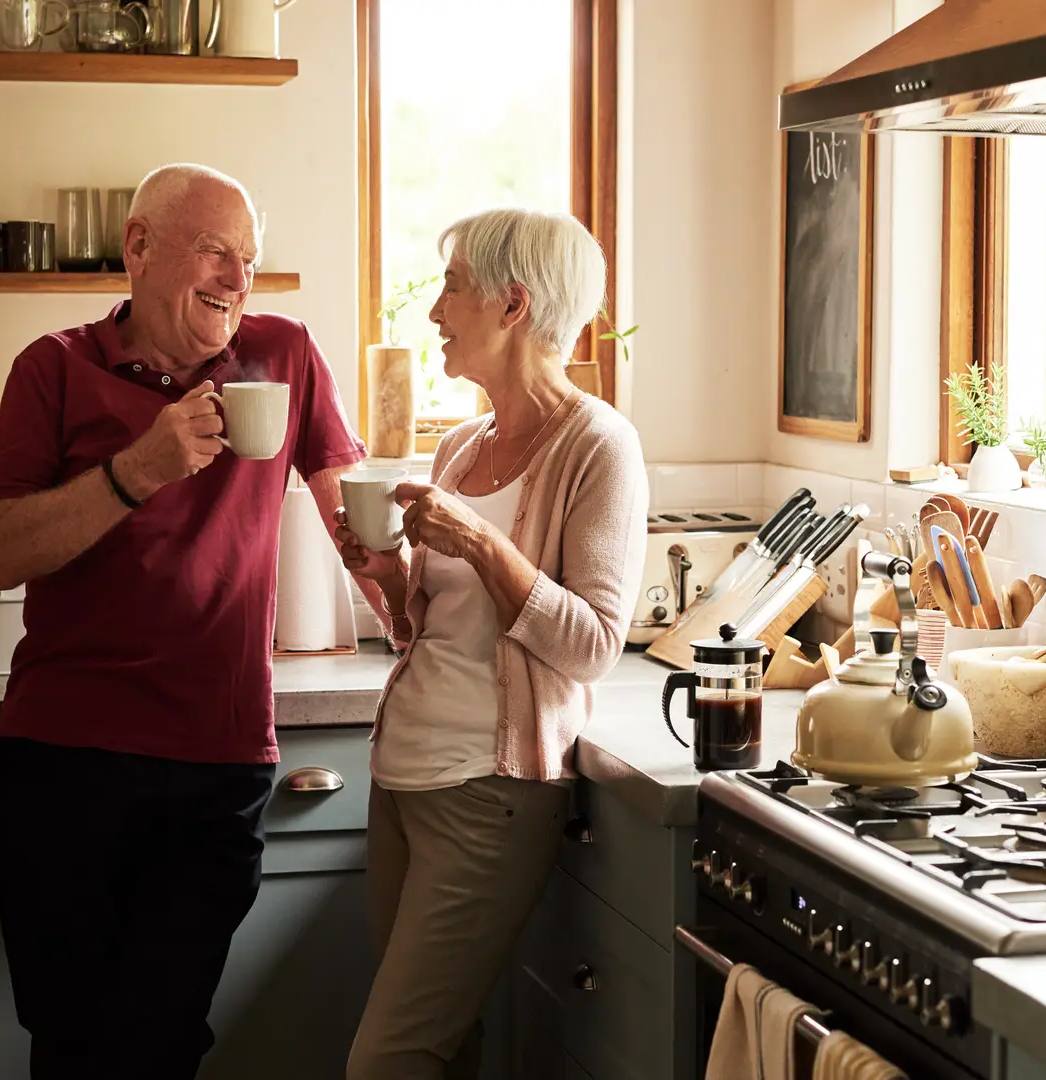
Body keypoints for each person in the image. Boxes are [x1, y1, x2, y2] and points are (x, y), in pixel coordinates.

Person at [0, 163, 380, 1080]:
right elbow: (0, 553)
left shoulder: (282, 354)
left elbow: (349, 517)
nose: (238, 280)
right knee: (74, 1042)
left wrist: (411, 583)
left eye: (250, 259)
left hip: (216, 760)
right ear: (139, 247)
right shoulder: (54, 368)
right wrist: (139, 469)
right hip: (66, 759)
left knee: (162, 1041)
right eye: (214, 252)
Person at [337, 207, 650, 1080]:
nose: (436, 312)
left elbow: (592, 644)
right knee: (445, 1049)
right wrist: (386, 573)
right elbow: (423, 631)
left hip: (489, 794)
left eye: (452, 287)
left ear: (513, 305)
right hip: (401, 777)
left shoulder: (599, 445)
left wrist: (477, 541)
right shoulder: (460, 446)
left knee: (387, 1062)